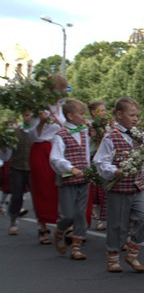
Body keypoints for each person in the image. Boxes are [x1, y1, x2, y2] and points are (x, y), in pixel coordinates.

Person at [93, 97, 144, 273]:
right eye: (132, 115)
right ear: (119, 115)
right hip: (119, 188)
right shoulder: (110, 137)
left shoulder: (138, 136)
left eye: (137, 115)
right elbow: (101, 161)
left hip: (136, 187)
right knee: (117, 225)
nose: (136, 119)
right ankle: (113, 257)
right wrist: (115, 171)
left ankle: (132, 252)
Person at [49, 99, 92, 260]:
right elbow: (55, 158)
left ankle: (76, 247)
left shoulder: (83, 131)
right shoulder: (60, 135)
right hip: (68, 179)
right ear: (70, 116)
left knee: (80, 213)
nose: (84, 117)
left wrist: (88, 169)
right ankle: (59, 232)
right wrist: (70, 169)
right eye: (81, 114)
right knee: (67, 214)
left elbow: (86, 152)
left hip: (83, 179)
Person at [28, 75, 67, 244]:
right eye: (61, 88)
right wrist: (42, 122)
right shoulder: (39, 107)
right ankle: (42, 226)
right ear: (52, 90)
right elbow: (32, 134)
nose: (64, 91)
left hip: (60, 148)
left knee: (64, 187)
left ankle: (65, 226)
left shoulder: (62, 107)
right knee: (43, 187)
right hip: (42, 149)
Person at [7, 111, 32, 235]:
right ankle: (13, 220)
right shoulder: (15, 132)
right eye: (27, 115)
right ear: (23, 116)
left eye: (31, 116)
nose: (29, 118)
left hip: (33, 168)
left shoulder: (37, 132)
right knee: (16, 195)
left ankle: (41, 225)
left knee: (39, 196)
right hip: (17, 167)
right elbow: (7, 153)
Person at [88, 100, 108, 231]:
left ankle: (102, 217)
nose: (104, 113)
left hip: (104, 158)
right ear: (93, 112)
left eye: (104, 110)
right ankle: (95, 210)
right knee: (95, 188)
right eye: (101, 110)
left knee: (103, 189)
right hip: (93, 158)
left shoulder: (106, 126)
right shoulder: (88, 126)